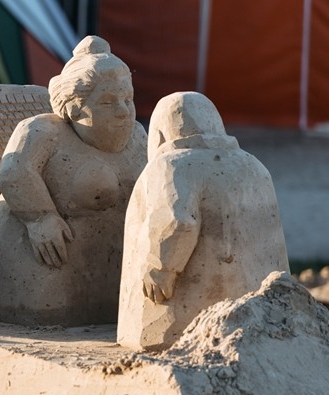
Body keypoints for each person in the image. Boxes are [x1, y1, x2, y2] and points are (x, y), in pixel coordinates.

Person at [0, 35, 147, 326]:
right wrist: (40, 218)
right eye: (109, 102)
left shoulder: (137, 136)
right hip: (40, 286)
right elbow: (15, 170)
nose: (124, 111)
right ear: (75, 107)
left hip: (108, 286)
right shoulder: (42, 132)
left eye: (128, 99)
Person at [117, 92, 289, 350]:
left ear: (160, 133)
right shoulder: (254, 166)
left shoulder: (171, 165)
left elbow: (179, 222)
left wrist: (160, 267)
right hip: (259, 317)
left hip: (183, 326)